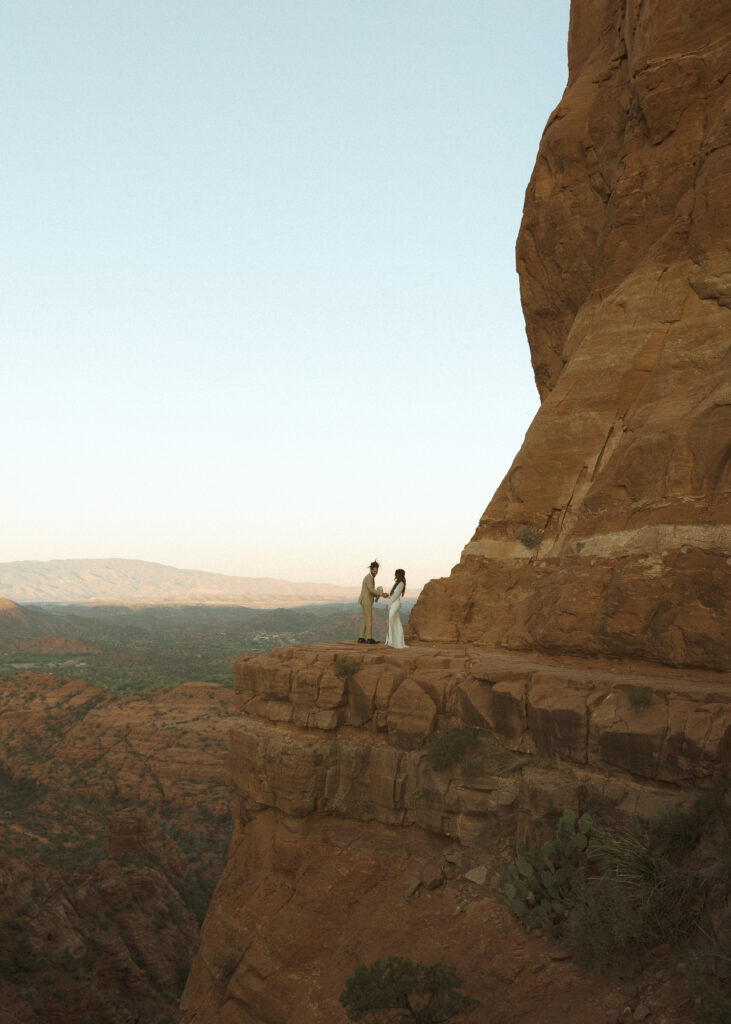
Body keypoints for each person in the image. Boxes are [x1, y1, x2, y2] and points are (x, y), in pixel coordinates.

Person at [358, 561, 384, 644]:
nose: (375, 572)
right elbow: (371, 590)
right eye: (374, 571)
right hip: (366, 601)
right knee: (369, 619)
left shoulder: (369, 577)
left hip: (364, 600)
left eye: (376, 571)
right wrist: (381, 593)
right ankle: (369, 638)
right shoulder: (369, 578)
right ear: (371, 569)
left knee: (365, 619)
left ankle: (361, 638)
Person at [384, 569, 407, 649]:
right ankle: (396, 641)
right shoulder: (399, 583)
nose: (395, 575)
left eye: (396, 574)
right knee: (396, 622)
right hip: (394, 604)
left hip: (395, 604)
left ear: (399, 575)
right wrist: (388, 597)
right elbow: (394, 595)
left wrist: (388, 603)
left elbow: (396, 595)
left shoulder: (401, 584)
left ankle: (391, 641)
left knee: (390, 621)